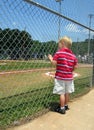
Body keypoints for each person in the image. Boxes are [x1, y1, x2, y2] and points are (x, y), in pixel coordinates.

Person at [48, 36, 78, 114]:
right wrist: (70, 70)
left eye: (59, 44)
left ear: (63, 44)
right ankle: (66, 105)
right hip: (69, 77)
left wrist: (51, 58)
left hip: (60, 77)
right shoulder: (73, 56)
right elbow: (75, 66)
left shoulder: (59, 53)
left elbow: (54, 63)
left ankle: (62, 108)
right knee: (67, 92)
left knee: (61, 93)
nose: (59, 45)